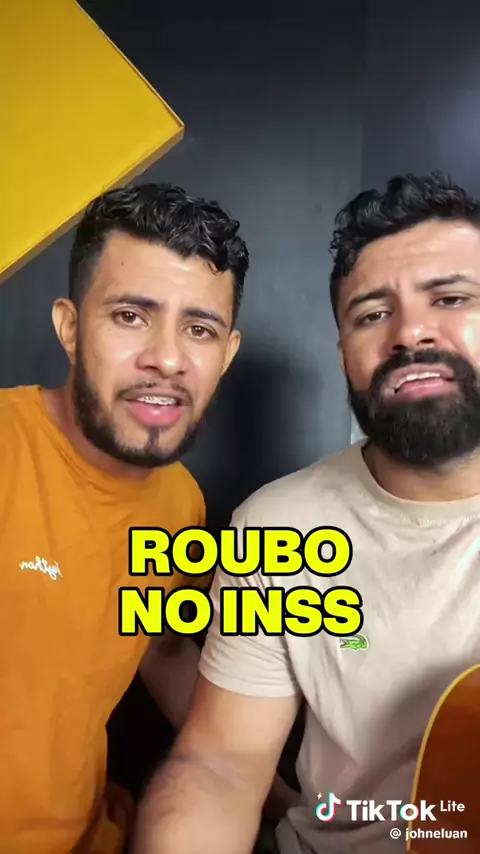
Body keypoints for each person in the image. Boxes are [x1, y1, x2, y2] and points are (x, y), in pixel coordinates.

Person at [132, 172, 480, 854]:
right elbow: (221, 765)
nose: (410, 332)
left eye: (451, 298)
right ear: (344, 354)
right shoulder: (278, 526)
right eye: (372, 314)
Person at [0, 181, 251, 854]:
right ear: (71, 327)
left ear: (226, 355)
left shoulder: (180, 503)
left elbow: (160, 648)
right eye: (131, 316)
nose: (167, 358)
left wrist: (270, 793)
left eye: (199, 329)